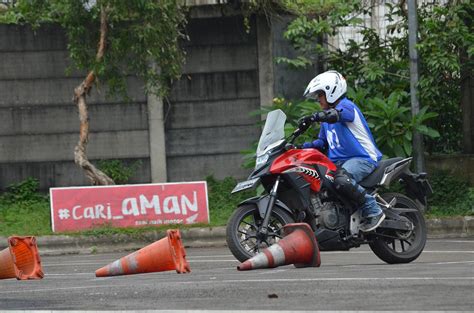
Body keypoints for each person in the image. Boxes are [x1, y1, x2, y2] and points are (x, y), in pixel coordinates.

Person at [298, 70, 385, 232]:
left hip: (363, 158)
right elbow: (322, 143)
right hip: (338, 162)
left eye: (320, 94)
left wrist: (315, 117)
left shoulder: (345, 106)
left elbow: (340, 115)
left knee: (341, 180)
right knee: (320, 182)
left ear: (331, 91)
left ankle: (373, 209)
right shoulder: (326, 120)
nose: (318, 99)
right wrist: (300, 147)